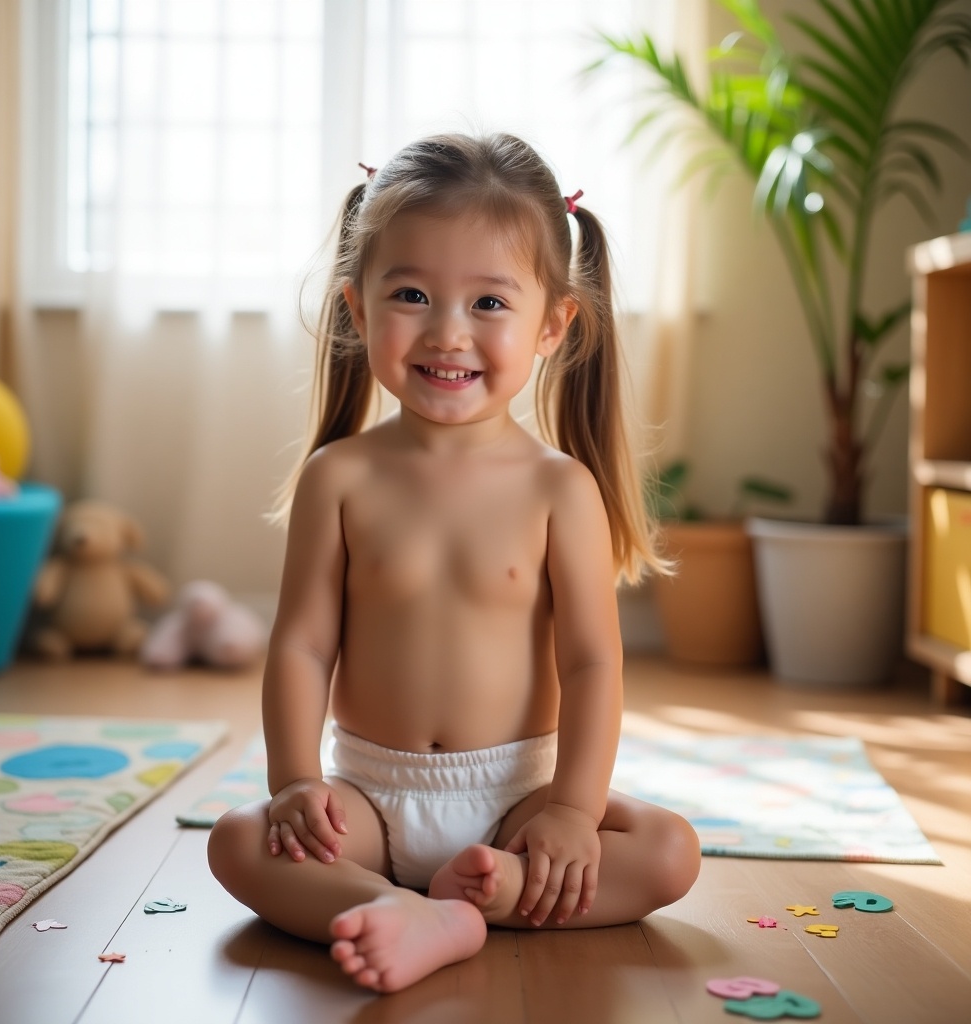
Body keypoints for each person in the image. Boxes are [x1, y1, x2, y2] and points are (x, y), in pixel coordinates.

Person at [208, 132, 701, 994]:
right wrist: (295, 782)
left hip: (517, 800)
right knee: (238, 841)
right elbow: (300, 648)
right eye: (410, 294)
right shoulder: (342, 478)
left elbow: (591, 664)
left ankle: (493, 891)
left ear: (552, 324)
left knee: (669, 852)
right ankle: (405, 904)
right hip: (367, 793)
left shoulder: (560, 489)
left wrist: (573, 816)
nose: (447, 332)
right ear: (358, 309)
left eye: (488, 303)